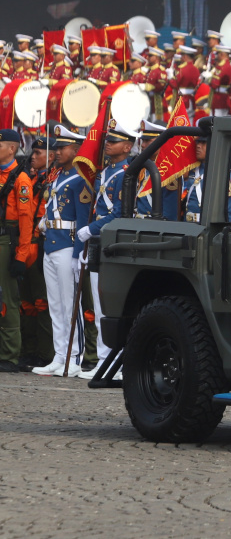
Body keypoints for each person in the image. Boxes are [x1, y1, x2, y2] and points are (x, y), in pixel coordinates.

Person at [76, 119, 137, 378]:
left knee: (111, 306)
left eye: (114, 142)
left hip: (112, 242)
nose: (108, 145)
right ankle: (103, 359)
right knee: (100, 307)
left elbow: (121, 213)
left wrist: (91, 229)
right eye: (108, 141)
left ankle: (117, 362)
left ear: (127, 146)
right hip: (100, 243)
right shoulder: (106, 172)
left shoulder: (126, 174)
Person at [32, 126, 91, 377]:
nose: (56, 151)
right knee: (55, 304)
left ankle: (74, 356)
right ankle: (59, 355)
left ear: (76, 150)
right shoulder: (56, 176)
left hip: (68, 245)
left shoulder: (80, 180)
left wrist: (79, 254)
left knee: (70, 305)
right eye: (56, 147)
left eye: (62, 147)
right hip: (52, 243)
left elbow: (83, 219)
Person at [18, 134, 56, 371]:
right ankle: (29, 351)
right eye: (33, 153)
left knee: (43, 303)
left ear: (50, 156)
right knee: (27, 303)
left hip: (40, 245)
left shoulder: (52, 180)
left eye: (38, 153)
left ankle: (46, 354)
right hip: (25, 244)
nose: (33, 157)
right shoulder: (32, 178)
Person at [0, 129, 34, 372]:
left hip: (6, 241)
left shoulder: (20, 179)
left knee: (9, 298)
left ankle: (10, 355)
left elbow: (26, 219)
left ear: (12, 149)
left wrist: (21, 255)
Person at [135, 121, 179, 221]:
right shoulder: (142, 168)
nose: (143, 145)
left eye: (147, 141)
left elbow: (169, 215)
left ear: (162, 142)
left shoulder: (169, 172)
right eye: (143, 141)